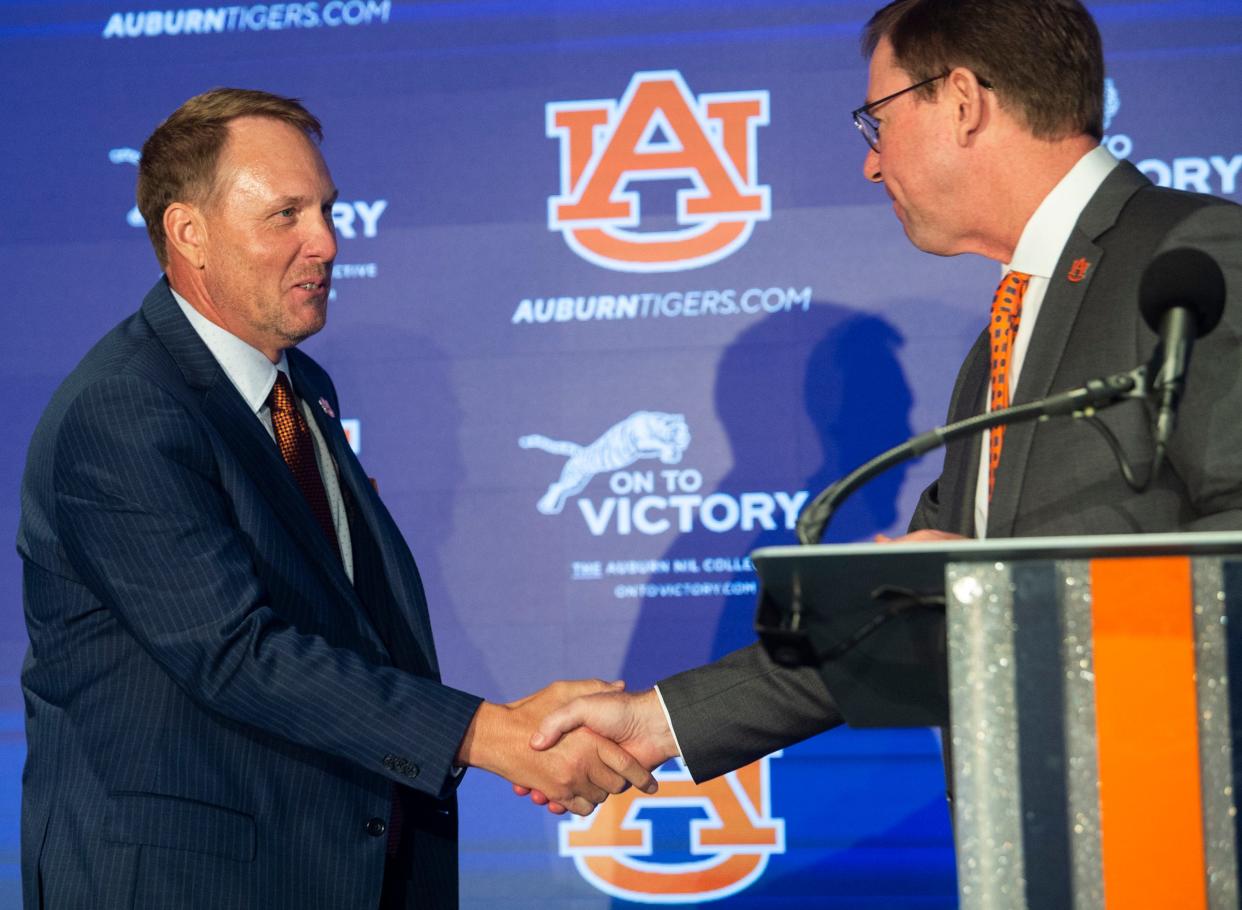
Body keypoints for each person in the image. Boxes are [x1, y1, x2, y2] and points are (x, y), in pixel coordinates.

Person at [519, 0, 1242, 803]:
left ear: (962, 102)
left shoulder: (1195, 258)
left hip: (1182, 813)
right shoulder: (1007, 334)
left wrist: (1018, 601)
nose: (871, 163)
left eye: (879, 121)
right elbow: (904, 614)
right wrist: (654, 723)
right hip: (1043, 836)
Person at [17, 88, 654, 910]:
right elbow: (237, 654)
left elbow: (348, 632)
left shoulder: (300, 387)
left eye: (327, 209)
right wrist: (493, 736)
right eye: (286, 214)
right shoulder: (126, 410)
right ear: (189, 233)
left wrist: (508, 728)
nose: (326, 241)